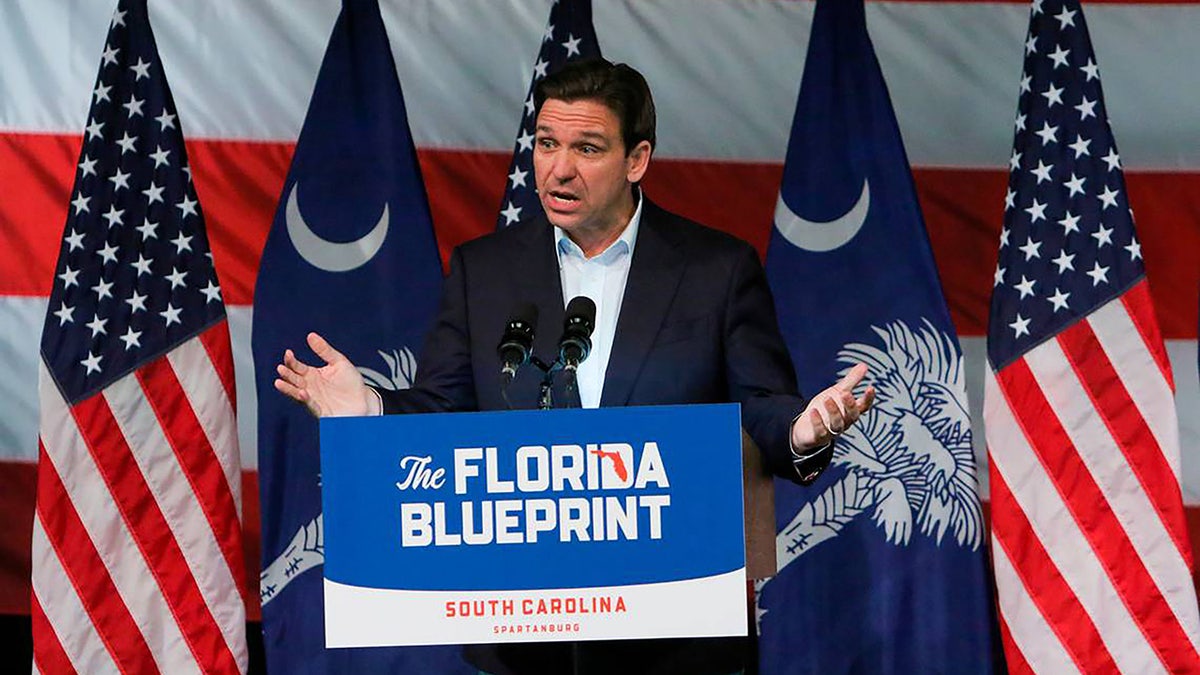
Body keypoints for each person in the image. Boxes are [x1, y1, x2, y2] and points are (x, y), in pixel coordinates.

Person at [275, 58, 875, 675]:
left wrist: (803, 431)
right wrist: (367, 410)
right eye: (547, 144)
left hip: (676, 637)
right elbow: (443, 412)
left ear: (636, 160)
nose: (558, 168)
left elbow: (762, 403)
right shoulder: (485, 270)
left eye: (587, 148)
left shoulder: (715, 269)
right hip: (528, 639)